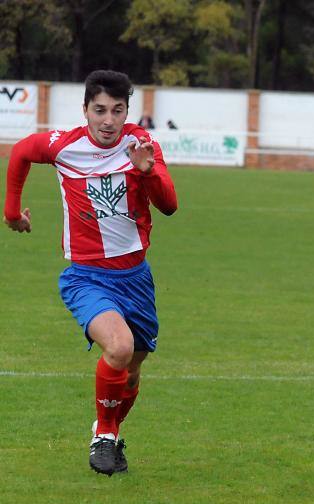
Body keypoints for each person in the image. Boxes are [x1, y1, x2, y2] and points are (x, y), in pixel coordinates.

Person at [3, 70, 178, 476]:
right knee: (117, 347)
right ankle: (102, 437)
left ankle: (111, 431)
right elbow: (21, 153)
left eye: (117, 111)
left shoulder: (141, 146)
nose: (108, 120)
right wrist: (12, 212)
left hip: (135, 278)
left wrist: (148, 171)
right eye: (99, 110)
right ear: (85, 110)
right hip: (86, 276)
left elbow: (169, 206)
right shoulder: (65, 145)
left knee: (132, 369)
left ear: (126, 112)